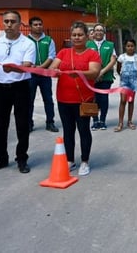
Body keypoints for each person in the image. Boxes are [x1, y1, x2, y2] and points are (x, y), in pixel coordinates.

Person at [0, 10, 36, 173]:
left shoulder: (27, 43)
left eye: (12, 21)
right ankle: (1, 158)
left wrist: (14, 68)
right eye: (6, 21)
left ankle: (22, 158)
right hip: (1, 87)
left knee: (22, 124)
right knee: (0, 125)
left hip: (20, 87)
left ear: (20, 24)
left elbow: (28, 65)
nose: (9, 25)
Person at [49, 21, 101, 176]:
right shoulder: (63, 53)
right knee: (68, 131)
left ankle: (85, 161)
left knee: (84, 130)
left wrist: (78, 73)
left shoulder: (92, 53)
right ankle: (70, 160)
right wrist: (55, 71)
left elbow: (94, 72)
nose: (77, 38)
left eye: (80, 35)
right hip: (64, 98)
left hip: (84, 100)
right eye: (74, 35)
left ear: (87, 37)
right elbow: (52, 68)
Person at [28, 16, 59, 133]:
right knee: (29, 99)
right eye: (35, 24)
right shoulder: (26, 41)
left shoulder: (49, 40)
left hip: (45, 74)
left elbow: (51, 56)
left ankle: (50, 122)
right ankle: (29, 123)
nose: (38, 26)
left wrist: (40, 68)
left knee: (48, 99)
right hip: (30, 75)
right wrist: (32, 68)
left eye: (40, 24)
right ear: (30, 27)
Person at [86, 23, 117, 131]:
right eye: (96, 30)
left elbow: (113, 60)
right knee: (93, 99)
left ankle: (102, 120)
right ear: (93, 32)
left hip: (106, 76)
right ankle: (95, 120)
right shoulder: (88, 45)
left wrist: (102, 72)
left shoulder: (110, 44)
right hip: (91, 77)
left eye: (101, 30)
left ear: (104, 33)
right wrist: (94, 73)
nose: (98, 32)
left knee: (104, 99)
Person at [115, 39, 137, 132]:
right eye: (128, 46)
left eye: (132, 46)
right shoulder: (122, 57)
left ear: (135, 47)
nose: (130, 48)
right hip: (124, 82)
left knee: (131, 101)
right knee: (123, 101)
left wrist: (133, 77)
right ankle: (120, 122)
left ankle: (130, 121)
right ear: (125, 47)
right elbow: (118, 69)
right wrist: (123, 76)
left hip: (133, 82)